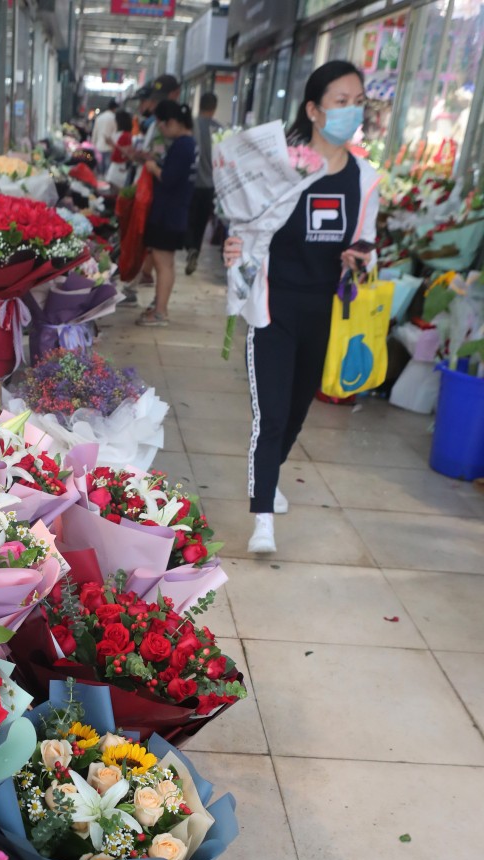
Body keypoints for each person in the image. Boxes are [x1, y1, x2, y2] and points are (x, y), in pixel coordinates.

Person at [223, 60, 379, 554]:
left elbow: (365, 248)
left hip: (321, 312)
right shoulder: (280, 169)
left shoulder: (366, 179)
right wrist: (235, 252)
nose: (352, 111)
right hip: (272, 308)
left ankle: (272, 480)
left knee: (295, 413)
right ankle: (262, 518)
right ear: (313, 110)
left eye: (358, 101)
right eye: (341, 101)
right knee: (269, 416)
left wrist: (359, 260)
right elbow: (246, 231)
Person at [136, 100, 197, 329]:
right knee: (167, 264)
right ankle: (160, 308)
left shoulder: (182, 145)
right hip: (176, 213)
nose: (160, 128)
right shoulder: (190, 144)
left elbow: (169, 178)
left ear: (172, 122)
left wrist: (153, 168)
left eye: (161, 124)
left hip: (167, 215)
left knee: (163, 264)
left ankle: (160, 313)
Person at [121, 75, 182, 304]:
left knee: (159, 255)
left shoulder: (174, 132)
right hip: (149, 190)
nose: (151, 106)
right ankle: (139, 287)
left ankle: (157, 305)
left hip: (156, 194)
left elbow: (166, 165)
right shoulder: (158, 124)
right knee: (150, 247)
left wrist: (151, 162)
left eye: (157, 101)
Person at [185, 92, 220, 276]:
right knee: (200, 222)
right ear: (214, 108)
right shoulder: (219, 130)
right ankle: (195, 250)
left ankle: (189, 246)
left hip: (191, 183)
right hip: (210, 185)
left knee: (189, 218)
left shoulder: (190, 125)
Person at [105, 108, 133, 188]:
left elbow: (127, 151)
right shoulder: (122, 134)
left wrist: (113, 144)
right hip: (116, 164)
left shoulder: (126, 135)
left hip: (120, 165)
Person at [91, 99, 118, 172]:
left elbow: (95, 132)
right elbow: (115, 133)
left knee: (99, 171)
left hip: (99, 146)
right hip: (109, 147)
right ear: (115, 108)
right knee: (107, 171)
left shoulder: (99, 117)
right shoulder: (114, 118)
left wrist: (93, 145)